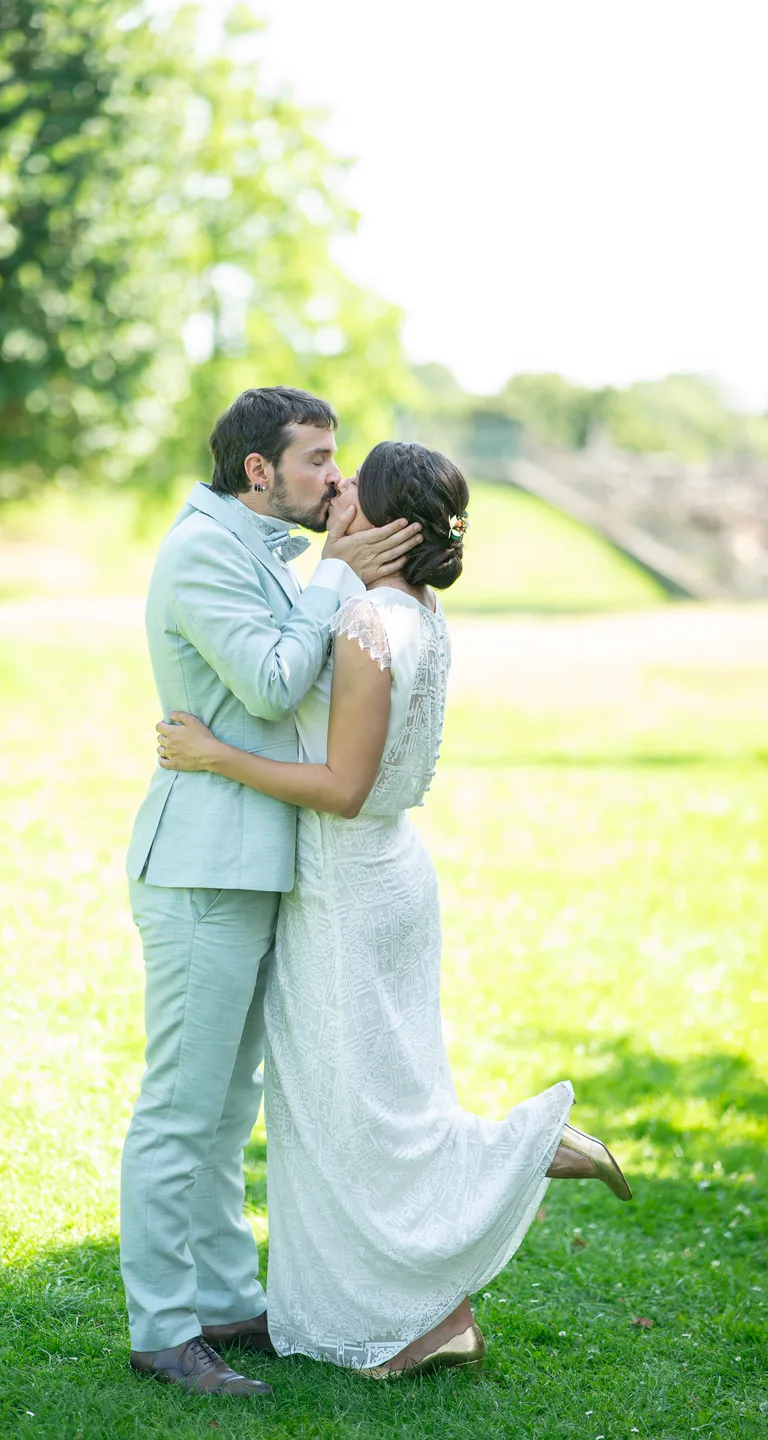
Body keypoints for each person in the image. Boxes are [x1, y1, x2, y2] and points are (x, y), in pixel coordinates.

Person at [156, 439, 633, 1380]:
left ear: (385, 521)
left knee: (358, 1120)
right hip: (392, 876)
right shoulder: (416, 610)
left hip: (347, 886)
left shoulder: (367, 621)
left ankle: (528, 1149)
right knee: (379, 1105)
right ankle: (436, 1321)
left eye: (349, 487)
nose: (333, 491)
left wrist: (216, 756)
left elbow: (340, 786)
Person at [122, 389, 424, 1398]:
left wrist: (328, 563)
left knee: (226, 1107)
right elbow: (269, 683)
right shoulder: (202, 551)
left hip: (255, 861)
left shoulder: (261, 548)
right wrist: (336, 574)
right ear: (259, 470)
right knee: (181, 1107)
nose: (337, 480)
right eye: (319, 463)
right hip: (204, 865)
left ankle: (219, 1300)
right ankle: (163, 1329)